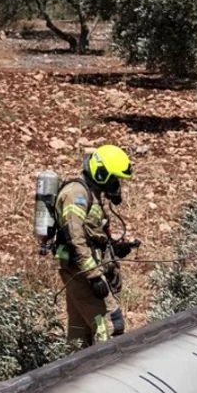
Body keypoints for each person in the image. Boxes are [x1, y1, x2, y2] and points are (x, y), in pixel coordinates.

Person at [52, 144, 139, 346]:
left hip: (84, 270)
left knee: (79, 334)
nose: (116, 184)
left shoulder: (92, 194)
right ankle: (107, 371)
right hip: (80, 272)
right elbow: (75, 238)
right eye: (113, 179)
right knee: (111, 324)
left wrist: (115, 249)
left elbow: (93, 236)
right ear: (101, 174)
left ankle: (76, 374)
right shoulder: (77, 194)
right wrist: (94, 276)